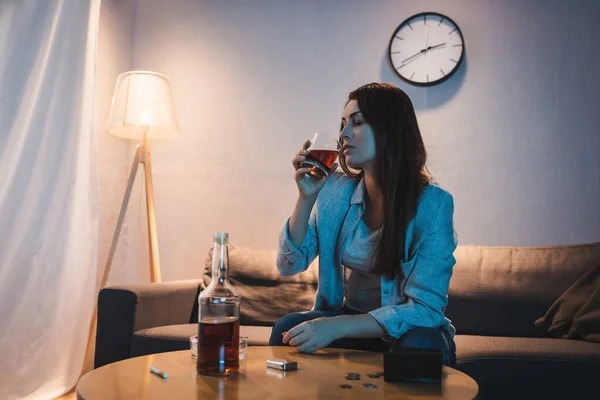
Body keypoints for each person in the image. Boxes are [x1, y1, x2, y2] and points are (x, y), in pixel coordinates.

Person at [268, 82, 458, 366]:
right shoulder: (334, 190)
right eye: (343, 124)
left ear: (390, 130)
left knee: (421, 344)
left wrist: (337, 326)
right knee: (288, 328)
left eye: (356, 123)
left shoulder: (433, 204)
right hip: (348, 318)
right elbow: (288, 265)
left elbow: (426, 310)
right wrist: (306, 198)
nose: (343, 135)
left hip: (409, 329)